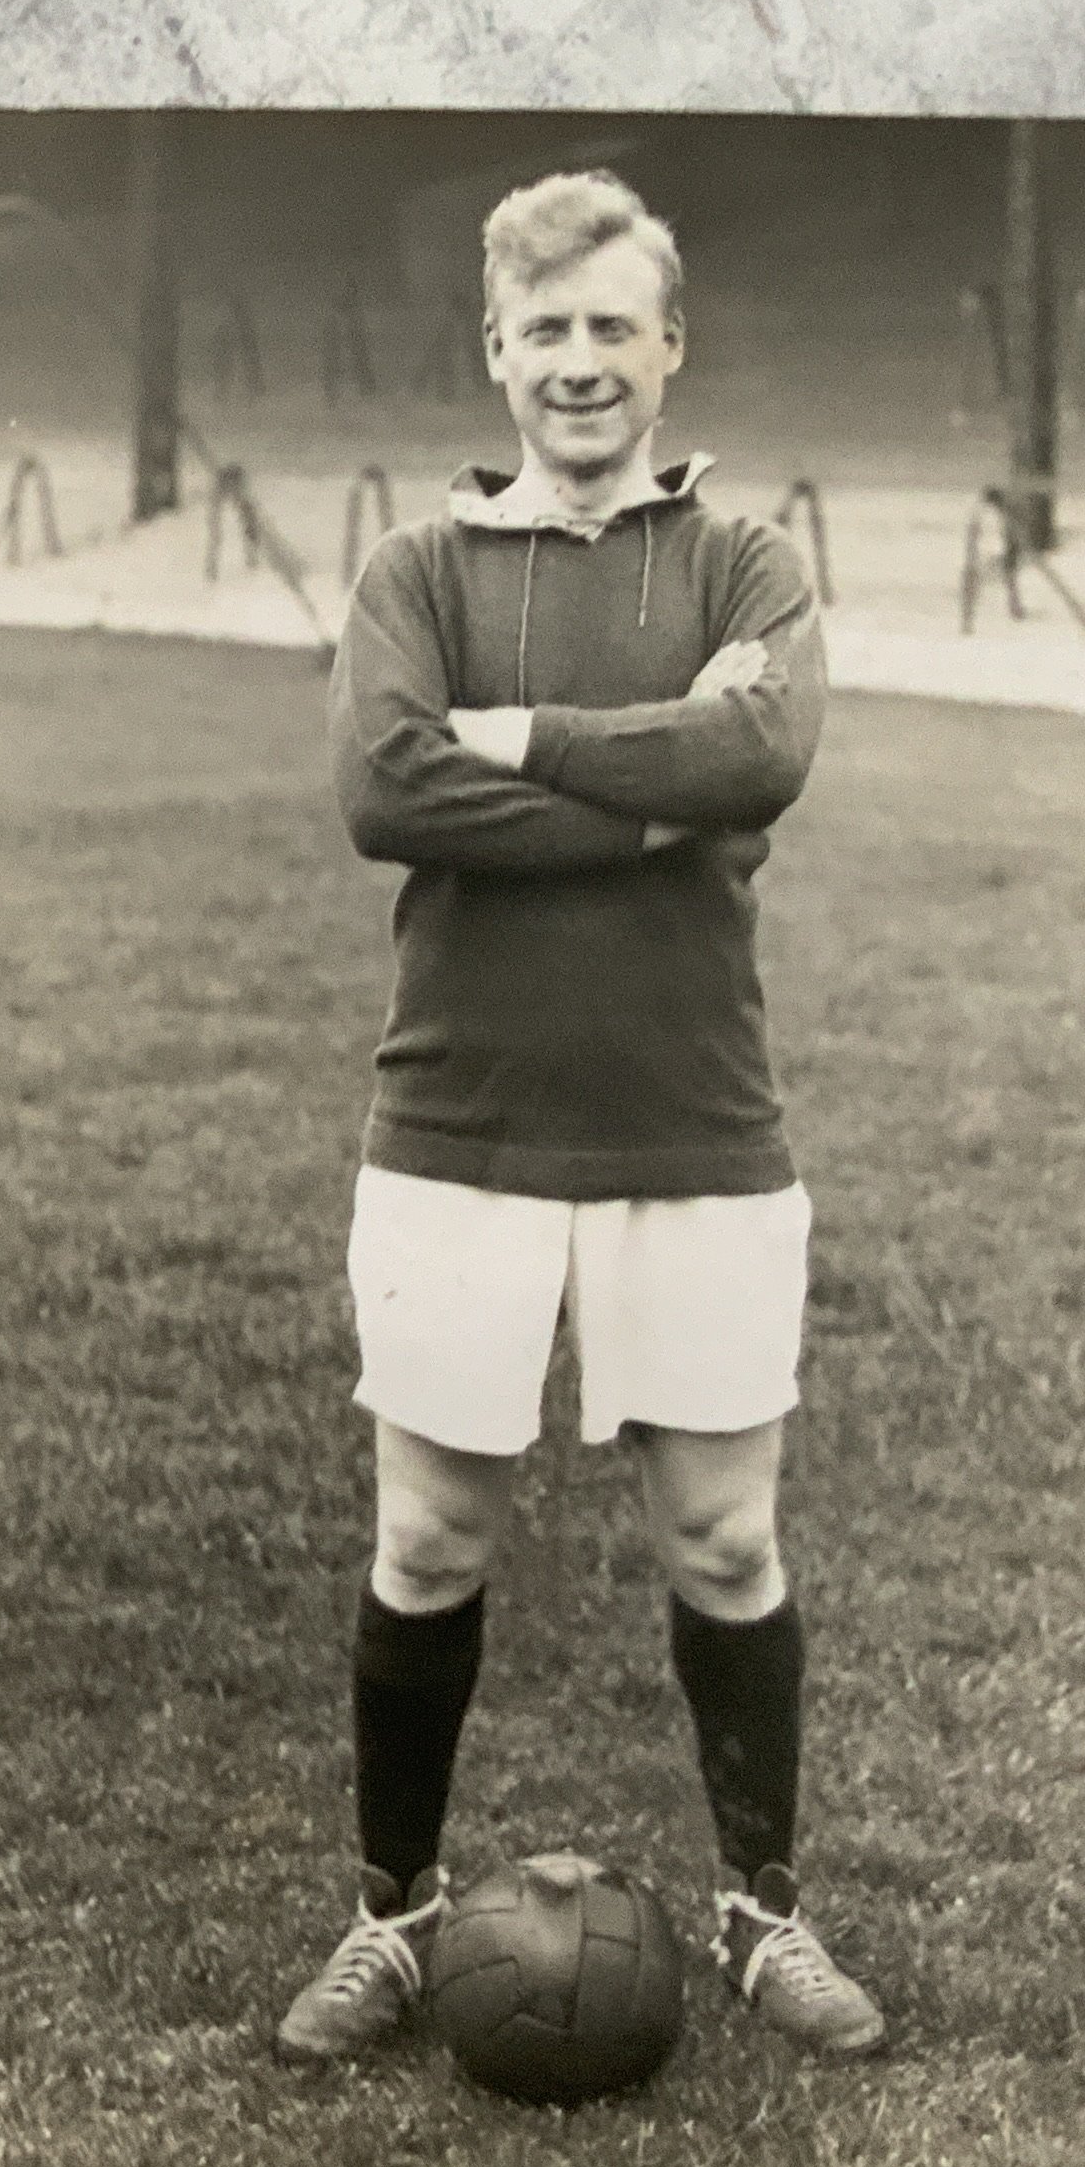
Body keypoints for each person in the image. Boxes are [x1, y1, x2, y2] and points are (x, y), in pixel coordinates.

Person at [278, 168, 887, 2065]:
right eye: (544, 331)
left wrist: (520, 741)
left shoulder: (748, 560)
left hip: (697, 1130)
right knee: (429, 1541)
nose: (579, 364)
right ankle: (391, 1917)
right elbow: (385, 788)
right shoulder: (416, 570)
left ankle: (764, 1916)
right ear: (495, 354)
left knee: (725, 1543)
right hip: (456, 1132)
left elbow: (764, 748)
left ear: (669, 345)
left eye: (613, 326)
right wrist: (654, 786)